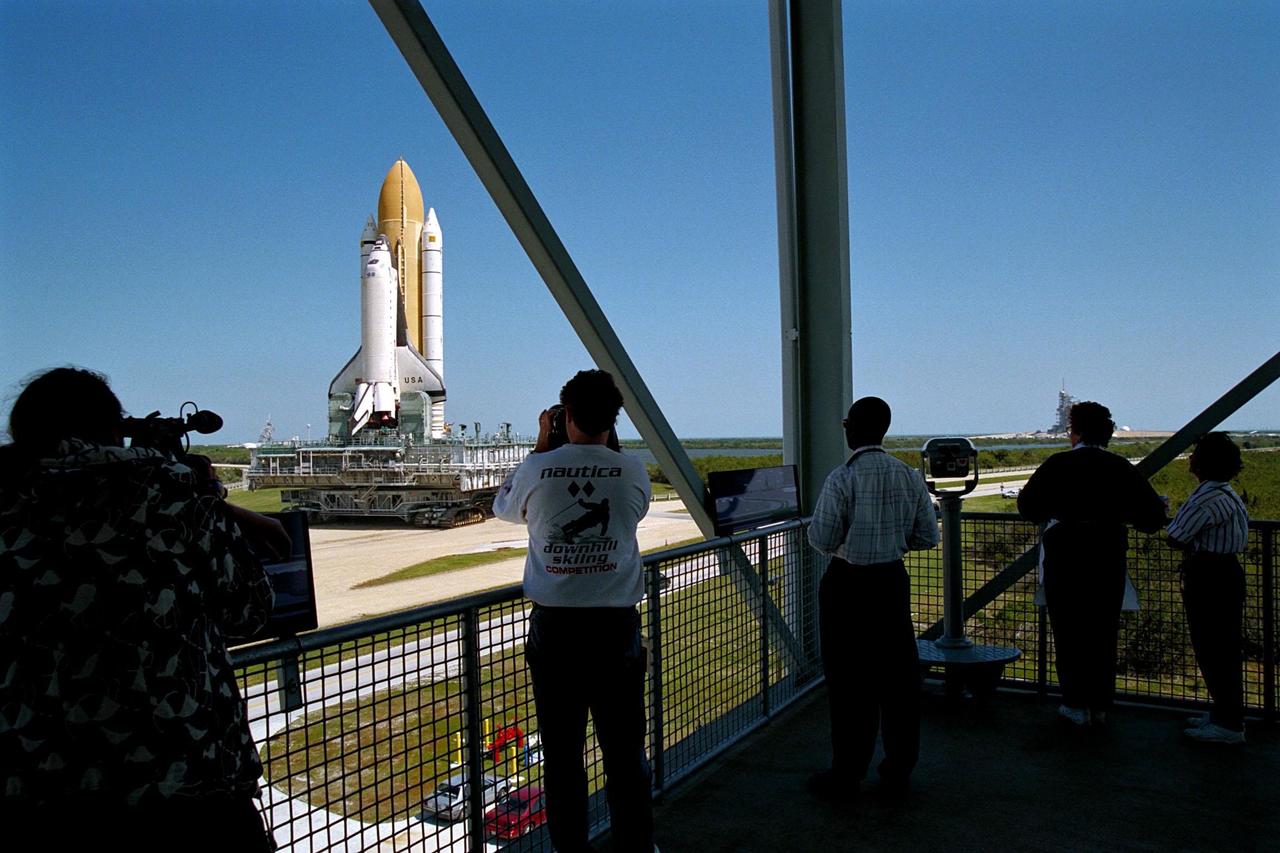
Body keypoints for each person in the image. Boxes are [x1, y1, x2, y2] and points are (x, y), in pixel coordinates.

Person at [0, 367, 287, 850]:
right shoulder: (166, 489)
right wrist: (206, 496)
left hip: (38, 781)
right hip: (183, 775)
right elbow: (248, 610)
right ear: (114, 427)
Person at [492, 369, 654, 853]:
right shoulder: (634, 470)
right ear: (615, 418)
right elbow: (635, 512)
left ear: (564, 416)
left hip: (556, 630)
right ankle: (636, 846)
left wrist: (543, 444)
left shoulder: (538, 468)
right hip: (616, 627)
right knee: (625, 756)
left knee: (562, 760)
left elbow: (503, 508)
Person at [806, 396, 939, 802]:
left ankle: (848, 773)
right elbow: (927, 536)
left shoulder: (842, 479)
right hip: (891, 583)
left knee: (849, 685)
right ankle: (898, 768)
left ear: (851, 429)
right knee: (898, 681)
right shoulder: (907, 475)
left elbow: (821, 538)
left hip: (847, 586)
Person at [1017, 401, 1166, 727]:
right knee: (1102, 633)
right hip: (1107, 555)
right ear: (1108, 432)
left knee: (1068, 632)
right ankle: (1100, 704)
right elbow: (1153, 516)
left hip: (1065, 557)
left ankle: (1073, 703)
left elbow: (1027, 507)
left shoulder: (1058, 464)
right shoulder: (1121, 467)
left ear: (1076, 431)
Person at [1167, 432, 1250, 745]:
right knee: (1223, 648)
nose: (1191, 458)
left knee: (1213, 648)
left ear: (1203, 462)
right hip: (1226, 574)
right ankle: (1225, 714)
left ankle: (1228, 724)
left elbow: (1176, 536)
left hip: (1209, 579)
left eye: (1196, 454)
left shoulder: (1206, 498)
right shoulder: (1226, 493)